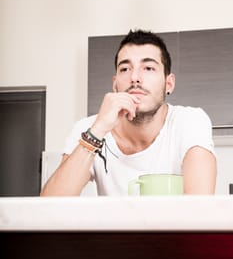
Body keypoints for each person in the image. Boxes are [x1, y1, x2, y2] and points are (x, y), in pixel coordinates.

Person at [41, 29, 216, 196]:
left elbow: (200, 204)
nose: (135, 77)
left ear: (169, 84)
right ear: (115, 84)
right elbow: (49, 206)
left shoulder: (190, 121)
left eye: (148, 68)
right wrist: (98, 130)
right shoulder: (89, 128)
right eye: (125, 69)